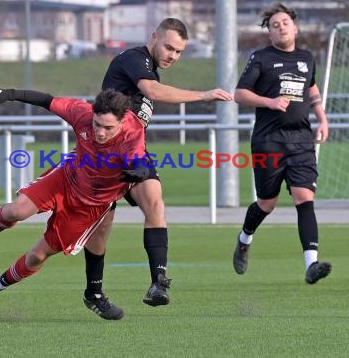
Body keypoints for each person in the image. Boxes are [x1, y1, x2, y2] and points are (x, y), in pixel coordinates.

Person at [0, 87, 150, 320]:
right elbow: (46, 100)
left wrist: (139, 170)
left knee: (37, 256)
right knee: (16, 211)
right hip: (65, 178)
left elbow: (138, 160)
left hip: (90, 206)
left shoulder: (133, 132)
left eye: (108, 128)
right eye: (97, 124)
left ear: (121, 121)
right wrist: (8, 93)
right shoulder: (81, 113)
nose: (100, 132)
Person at [81, 18, 234, 313]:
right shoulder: (134, 59)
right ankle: (94, 293)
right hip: (104, 155)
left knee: (155, 203)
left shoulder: (150, 69)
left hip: (134, 154)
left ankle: (158, 282)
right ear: (154, 37)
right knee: (101, 227)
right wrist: (204, 94)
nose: (173, 56)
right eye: (169, 47)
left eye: (178, 52)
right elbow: (152, 91)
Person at [232, 3, 331, 284]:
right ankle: (244, 238)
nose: (281, 27)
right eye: (274, 25)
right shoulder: (261, 58)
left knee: (304, 198)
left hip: (301, 141)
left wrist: (322, 119)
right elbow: (240, 94)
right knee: (267, 202)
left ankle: (311, 264)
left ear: (295, 27)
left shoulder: (307, 58)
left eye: (285, 22)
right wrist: (270, 102)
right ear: (270, 33)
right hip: (269, 141)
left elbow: (311, 89)